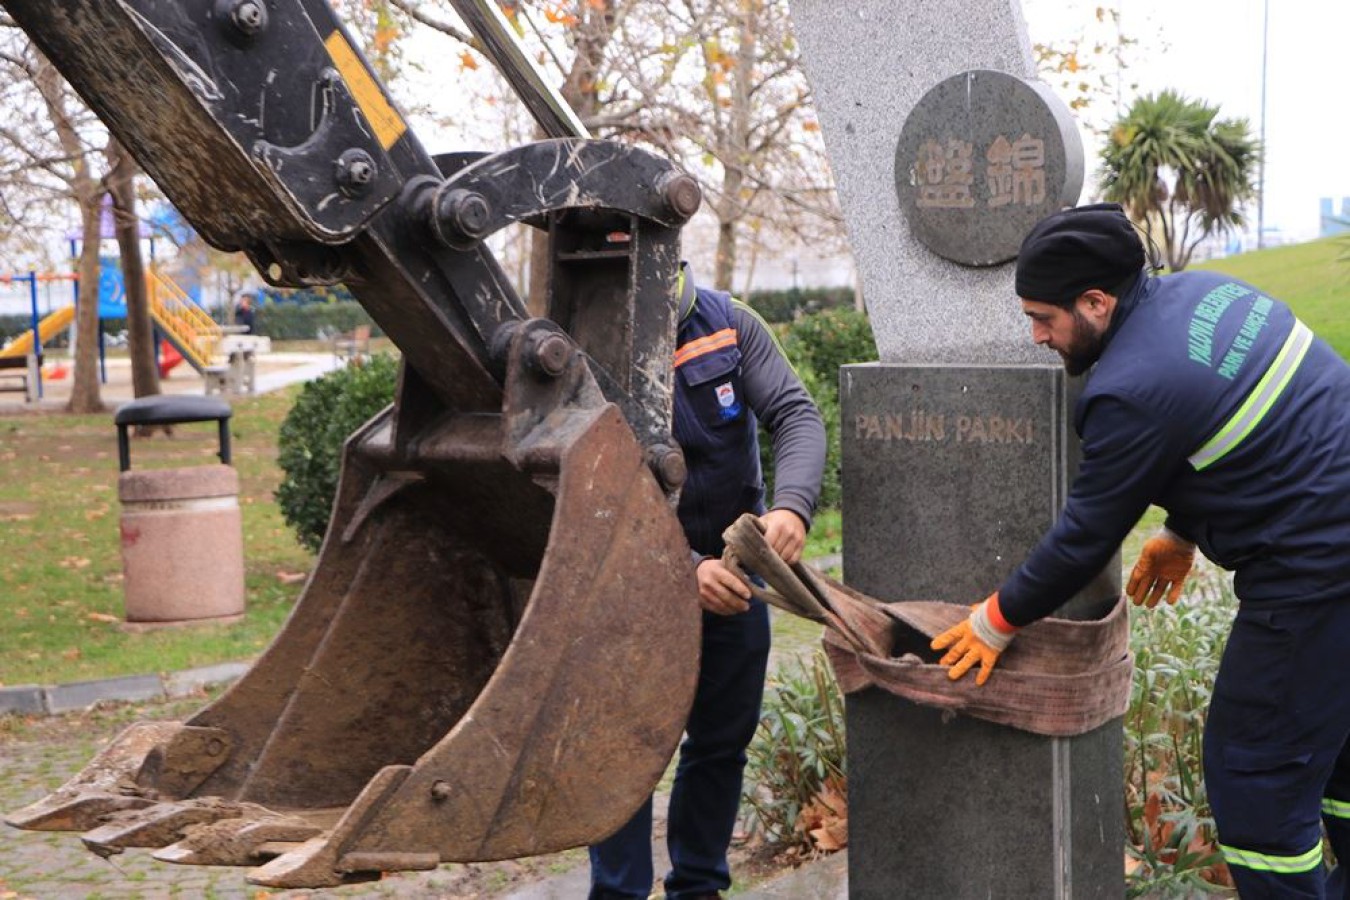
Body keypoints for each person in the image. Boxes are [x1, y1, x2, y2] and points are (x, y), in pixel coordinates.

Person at [932, 202, 1350, 896]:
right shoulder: (1207, 293)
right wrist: (1182, 531)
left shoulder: (1126, 390)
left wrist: (993, 622)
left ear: (1096, 301)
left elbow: (1084, 537)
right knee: (1334, 756)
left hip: (1319, 572)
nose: (1036, 336)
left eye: (1044, 318)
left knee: (1257, 776)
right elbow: (1230, 420)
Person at [588, 262, 827, 900]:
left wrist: (791, 506)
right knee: (624, 751)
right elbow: (578, 492)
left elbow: (795, 415)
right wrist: (683, 570)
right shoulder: (579, 346)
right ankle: (617, 893)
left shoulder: (730, 324)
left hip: (735, 581)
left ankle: (697, 886)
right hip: (627, 587)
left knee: (721, 743)